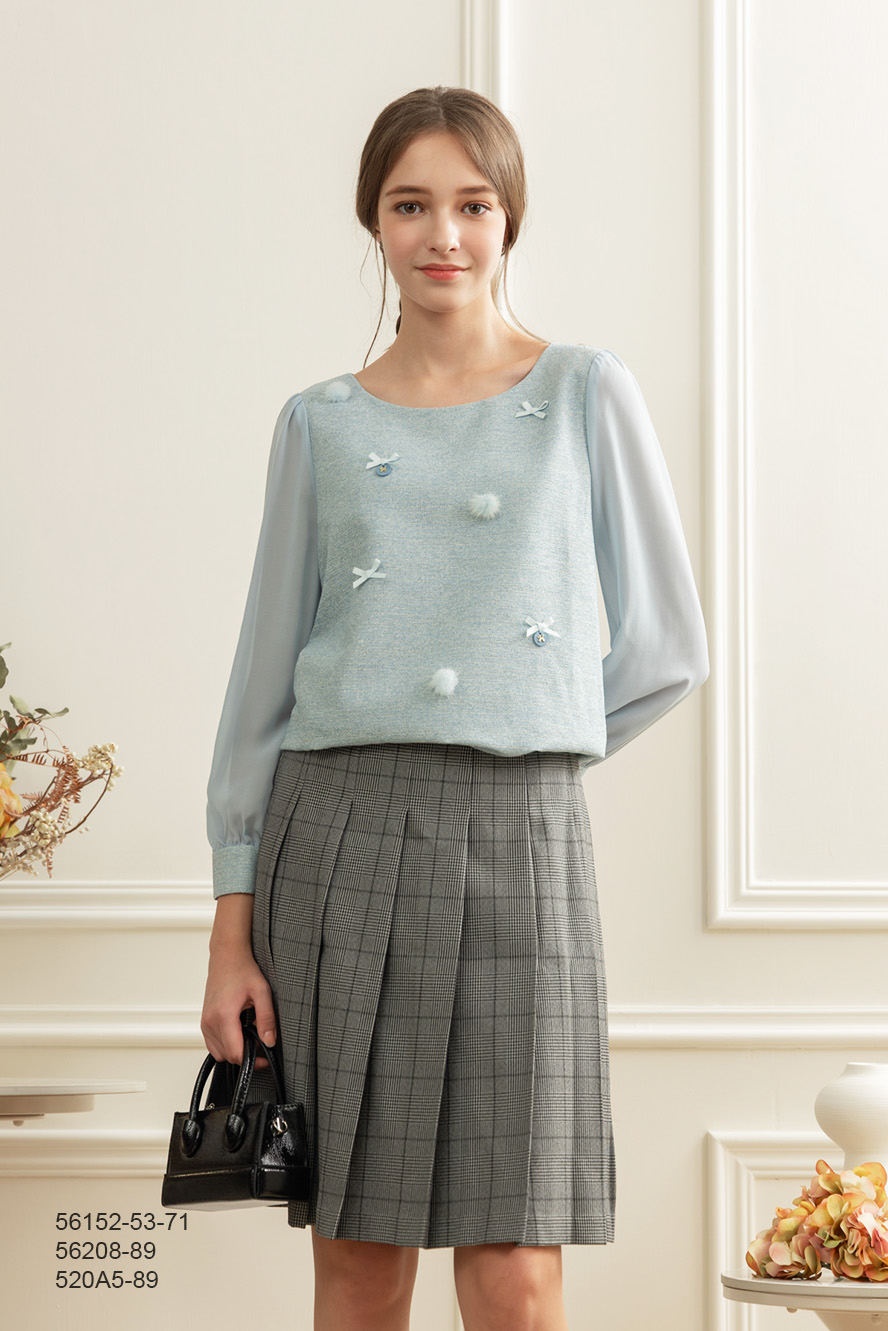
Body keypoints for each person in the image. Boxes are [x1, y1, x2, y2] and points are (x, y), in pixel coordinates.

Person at [201, 84, 709, 1331]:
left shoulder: (586, 390)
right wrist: (229, 931)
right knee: (359, 1256)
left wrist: (529, 725)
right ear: (372, 222)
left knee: (517, 1264)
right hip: (337, 837)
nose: (443, 235)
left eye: (472, 206)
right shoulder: (317, 422)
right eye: (410, 205)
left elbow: (666, 647)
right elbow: (261, 685)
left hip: (519, 839)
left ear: (509, 217)